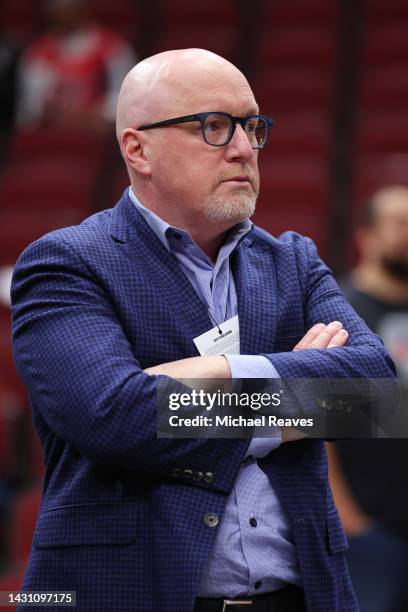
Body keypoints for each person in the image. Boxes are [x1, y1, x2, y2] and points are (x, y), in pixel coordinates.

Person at [11, 49, 396, 612]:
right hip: (136, 593)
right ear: (138, 149)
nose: (243, 147)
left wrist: (221, 371)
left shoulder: (293, 261)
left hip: (302, 596)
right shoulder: (67, 264)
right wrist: (301, 402)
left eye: (252, 126)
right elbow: (117, 417)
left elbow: (376, 399)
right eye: (213, 127)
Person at [328, 185, 408, 612]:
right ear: (366, 236)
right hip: (368, 528)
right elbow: (312, 422)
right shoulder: (341, 310)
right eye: (399, 223)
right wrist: (345, 514)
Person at [16, 0, 136, 130]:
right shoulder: (39, 52)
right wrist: (47, 110)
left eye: (69, 8)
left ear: (82, 8)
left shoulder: (112, 46)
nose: (62, 15)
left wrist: (97, 113)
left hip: (98, 130)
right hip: (56, 129)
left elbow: (124, 96)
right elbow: (31, 106)